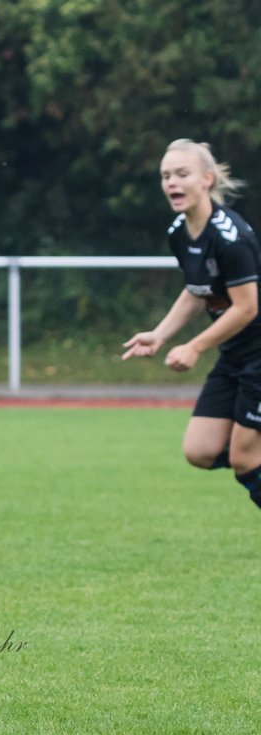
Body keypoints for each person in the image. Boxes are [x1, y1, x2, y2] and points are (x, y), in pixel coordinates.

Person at [123, 139, 261, 502]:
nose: (172, 182)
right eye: (166, 176)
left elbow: (247, 308)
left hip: (260, 356)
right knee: (199, 450)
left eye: (182, 174)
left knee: (245, 459)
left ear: (207, 180)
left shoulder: (231, 238)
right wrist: (160, 335)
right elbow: (196, 290)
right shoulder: (179, 234)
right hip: (235, 356)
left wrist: (195, 346)